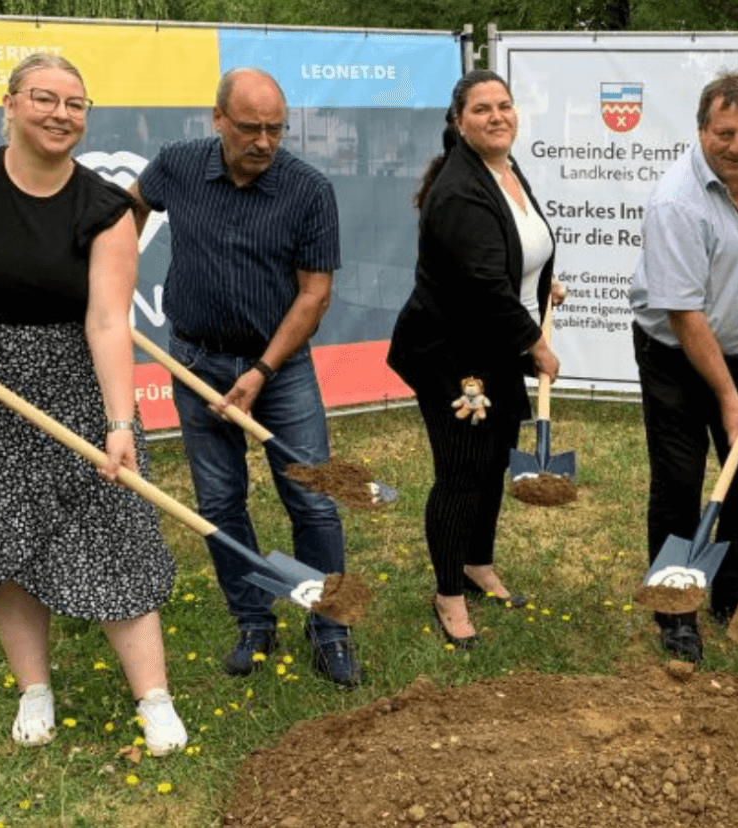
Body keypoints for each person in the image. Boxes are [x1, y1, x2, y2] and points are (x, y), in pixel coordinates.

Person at [0, 54, 186, 754]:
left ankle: (155, 697)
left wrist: (118, 423)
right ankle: (35, 689)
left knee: (117, 535)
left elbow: (108, 322)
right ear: (10, 104)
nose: (60, 114)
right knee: (5, 543)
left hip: (77, 387)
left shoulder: (105, 209)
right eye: (44, 99)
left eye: (75, 104)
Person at [128, 68, 359, 687]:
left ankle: (329, 626)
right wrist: (104, 278)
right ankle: (254, 621)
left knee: (312, 498)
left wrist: (261, 371)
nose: (263, 141)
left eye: (275, 129)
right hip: (195, 362)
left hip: (278, 369)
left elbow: (314, 297)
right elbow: (126, 215)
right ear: (218, 119)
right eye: (250, 128)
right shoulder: (177, 165)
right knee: (220, 502)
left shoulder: (309, 190)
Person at [629, 71, 738, 664]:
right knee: (680, 484)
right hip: (677, 358)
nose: (737, 146)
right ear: (702, 128)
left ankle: (730, 594)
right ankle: (675, 613)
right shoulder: (676, 201)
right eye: (724, 133)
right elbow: (684, 314)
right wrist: (729, 398)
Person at [388, 69, 564, 650]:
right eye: (482, 109)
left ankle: (476, 562)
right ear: (459, 122)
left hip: (495, 346)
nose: (497, 116)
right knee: (462, 471)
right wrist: (536, 343)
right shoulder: (460, 189)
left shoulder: (505, 170)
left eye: (505, 105)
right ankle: (448, 593)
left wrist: (542, 286)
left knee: (493, 463)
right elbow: (484, 285)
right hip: (451, 355)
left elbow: (514, 250)